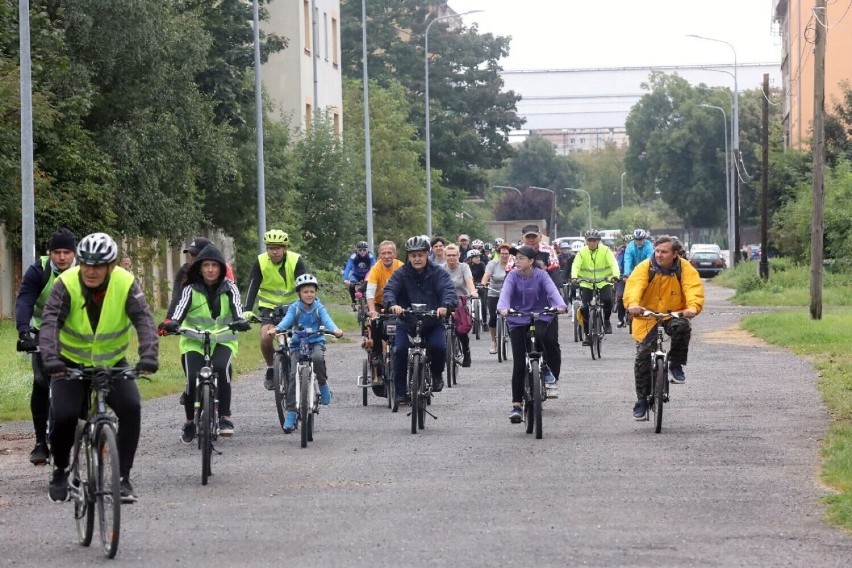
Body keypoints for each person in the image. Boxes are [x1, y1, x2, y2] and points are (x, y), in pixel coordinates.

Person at [39, 232, 158, 504]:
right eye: (86, 264)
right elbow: (50, 323)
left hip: (112, 362)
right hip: (68, 362)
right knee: (65, 414)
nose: (91, 271)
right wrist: (51, 358)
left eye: (98, 265)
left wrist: (148, 356)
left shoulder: (125, 282)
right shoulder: (66, 283)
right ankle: (59, 471)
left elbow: (144, 320)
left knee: (131, 407)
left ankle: (122, 479)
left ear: (111, 265)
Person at [161, 244, 250, 441]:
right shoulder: (190, 289)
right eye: (206, 265)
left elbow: (237, 309)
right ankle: (190, 422)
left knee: (220, 368)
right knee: (192, 378)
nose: (210, 269)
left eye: (214, 265)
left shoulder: (230, 288)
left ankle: (225, 417)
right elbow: (179, 311)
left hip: (223, 340)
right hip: (194, 340)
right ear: (200, 268)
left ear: (221, 268)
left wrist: (240, 321)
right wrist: (173, 323)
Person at [14, 228, 77, 465]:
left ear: (74, 254)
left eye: (67, 252)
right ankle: (41, 442)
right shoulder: (39, 270)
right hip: (45, 331)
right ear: (49, 253)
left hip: (77, 333)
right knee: (41, 381)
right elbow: (25, 300)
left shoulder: (85, 271)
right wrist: (23, 330)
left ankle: (92, 427)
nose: (61, 257)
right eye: (56, 252)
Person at [623, 235, 704, 420]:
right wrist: (633, 304)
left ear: (675, 254)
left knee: (682, 327)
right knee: (643, 356)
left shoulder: (685, 268)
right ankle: (642, 400)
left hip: (673, 313)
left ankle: (676, 363)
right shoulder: (645, 267)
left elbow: (693, 288)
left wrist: (692, 307)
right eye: (657, 251)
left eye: (664, 252)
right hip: (646, 316)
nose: (659, 255)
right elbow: (634, 287)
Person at [383, 236, 458, 405]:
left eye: (420, 255)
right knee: (399, 351)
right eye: (413, 255)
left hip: (432, 321)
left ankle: (437, 374)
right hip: (406, 322)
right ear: (408, 257)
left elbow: (448, 290)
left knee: (439, 347)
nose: (417, 259)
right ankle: (401, 392)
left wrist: (445, 305)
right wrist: (393, 304)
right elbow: (390, 289)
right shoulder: (401, 273)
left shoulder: (438, 273)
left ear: (427, 255)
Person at [497, 245, 567, 421]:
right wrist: (503, 308)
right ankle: (516, 406)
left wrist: (560, 305)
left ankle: (544, 368)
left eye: (521, 258)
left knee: (542, 337)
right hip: (517, 318)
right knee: (519, 363)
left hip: (539, 316)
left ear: (531, 261)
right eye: (516, 258)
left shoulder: (541, 275)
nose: (516, 261)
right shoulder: (512, 275)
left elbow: (552, 290)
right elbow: (505, 293)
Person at [271, 274, 343, 432]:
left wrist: (335, 329)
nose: (309, 294)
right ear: (299, 294)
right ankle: (291, 412)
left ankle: (323, 385)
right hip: (298, 344)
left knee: (318, 359)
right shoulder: (294, 308)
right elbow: (287, 321)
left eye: (312, 291)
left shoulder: (319, 308)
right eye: (305, 292)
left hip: (316, 342)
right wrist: (277, 329)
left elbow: (327, 320)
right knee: (292, 376)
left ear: (316, 292)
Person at [242, 229, 307, 390]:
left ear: (285, 248)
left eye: (278, 248)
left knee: (303, 336)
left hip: (294, 306)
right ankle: (271, 368)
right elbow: (253, 285)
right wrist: (247, 309)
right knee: (265, 337)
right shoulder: (260, 261)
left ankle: (306, 368)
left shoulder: (296, 260)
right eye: (271, 248)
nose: (274, 251)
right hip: (269, 308)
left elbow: (304, 286)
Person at [365, 240, 404, 382]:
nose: (387, 256)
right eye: (383, 253)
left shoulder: (401, 267)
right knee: (374, 323)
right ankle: (377, 355)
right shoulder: (375, 268)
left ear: (395, 254)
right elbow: (370, 292)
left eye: (389, 253)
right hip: (378, 302)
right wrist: (371, 311)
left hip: (397, 303)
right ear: (379, 255)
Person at [571, 229, 620, 342]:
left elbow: (613, 263)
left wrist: (615, 276)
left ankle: (607, 321)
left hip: (604, 281)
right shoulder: (582, 252)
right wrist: (574, 277)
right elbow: (576, 265)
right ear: (586, 241)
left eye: (594, 240)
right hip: (586, 283)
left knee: (607, 300)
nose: (592, 243)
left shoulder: (605, 250)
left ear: (598, 241)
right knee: (584, 308)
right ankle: (588, 335)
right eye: (589, 240)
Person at [443, 244, 479, 368]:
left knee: (461, 330)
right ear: (445, 256)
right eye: (449, 255)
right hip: (445, 301)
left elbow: (469, 281)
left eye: (454, 255)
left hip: (462, 300)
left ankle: (466, 351)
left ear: (458, 255)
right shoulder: (441, 269)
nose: (451, 258)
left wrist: (473, 291)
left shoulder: (464, 267)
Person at [482, 242, 512, 354]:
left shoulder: (513, 264)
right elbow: (486, 275)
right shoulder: (492, 264)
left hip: (509, 293)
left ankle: (514, 340)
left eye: (506, 253)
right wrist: (483, 284)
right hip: (494, 292)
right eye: (502, 253)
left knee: (512, 315)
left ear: (510, 255)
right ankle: (493, 342)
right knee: (493, 316)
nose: (504, 255)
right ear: (498, 254)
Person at [343, 241, 376, 311]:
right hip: (356, 275)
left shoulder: (370, 256)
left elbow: (374, 268)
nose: (362, 251)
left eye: (364, 249)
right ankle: (353, 302)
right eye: (360, 250)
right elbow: (348, 267)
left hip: (366, 276)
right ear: (357, 250)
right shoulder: (354, 256)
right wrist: (345, 279)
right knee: (352, 284)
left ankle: (368, 303)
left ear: (367, 250)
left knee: (369, 286)